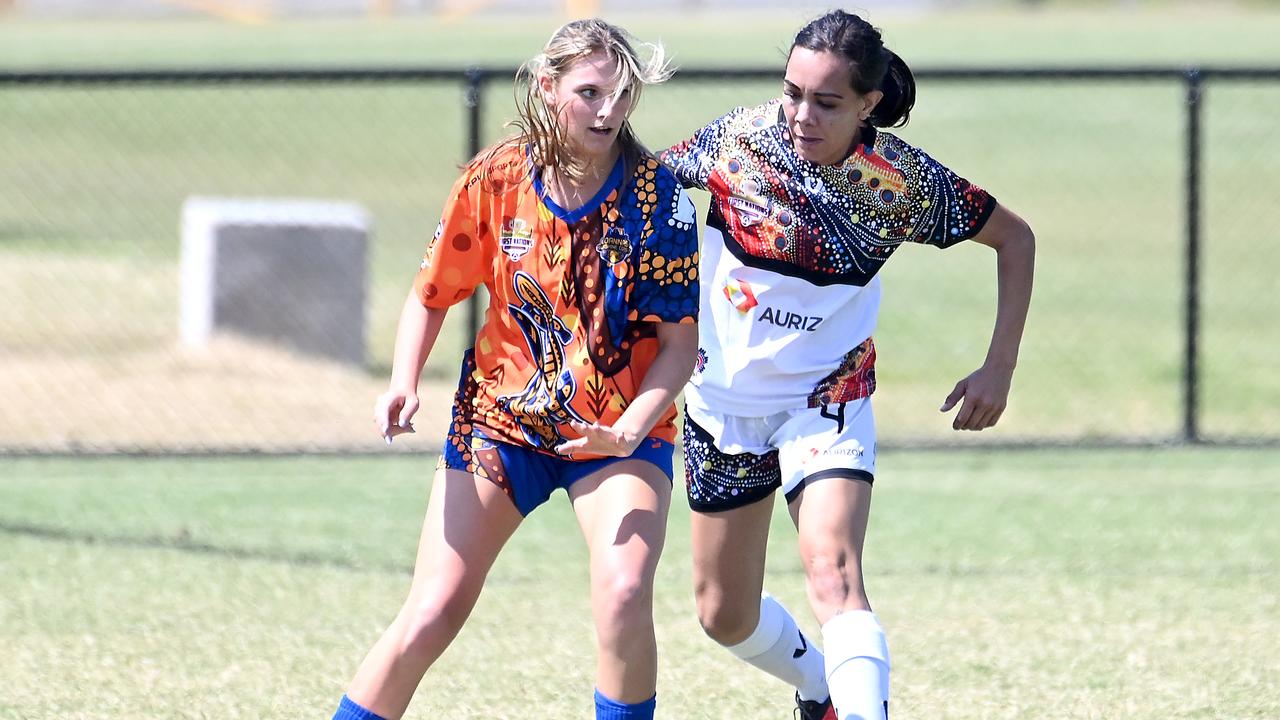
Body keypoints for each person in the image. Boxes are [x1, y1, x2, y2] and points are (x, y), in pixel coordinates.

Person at [658, 9, 1035, 720]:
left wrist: (999, 367)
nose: (801, 114)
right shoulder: (739, 140)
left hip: (826, 399)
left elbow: (1016, 239)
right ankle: (822, 687)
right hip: (720, 404)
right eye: (792, 92)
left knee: (834, 575)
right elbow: (640, 191)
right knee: (721, 614)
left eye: (827, 102)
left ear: (868, 105)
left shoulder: (902, 183)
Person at [330, 19, 699, 720]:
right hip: (500, 425)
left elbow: (680, 350)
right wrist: (404, 381)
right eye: (590, 92)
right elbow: (430, 294)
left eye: (623, 95)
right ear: (547, 86)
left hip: (616, 432)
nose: (609, 110)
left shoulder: (660, 201)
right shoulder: (495, 178)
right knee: (433, 607)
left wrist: (624, 433)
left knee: (624, 592)